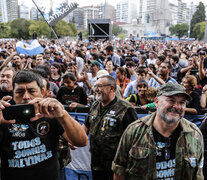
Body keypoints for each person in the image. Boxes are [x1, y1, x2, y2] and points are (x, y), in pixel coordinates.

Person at [0, 70, 88, 180]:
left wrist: (63, 115)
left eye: (32, 91)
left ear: (42, 92)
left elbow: (81, 141)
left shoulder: (51, 113)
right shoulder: (4, 117)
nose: (26, 96)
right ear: (13, 93)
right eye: (20, 91)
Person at [112, 82, 204, 179]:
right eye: (171, 101)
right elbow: (119, 171)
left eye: (182, 102)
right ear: (156, 102)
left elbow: (198, 175)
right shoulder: (134, 131)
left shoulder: (194, 134)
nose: (177, 106)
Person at [82, 75, 138, 180]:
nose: (96, 89)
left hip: (117, 166)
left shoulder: (125, 108)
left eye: (99, 86)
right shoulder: (95, 105)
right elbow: (85, 127)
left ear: (111, 88)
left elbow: (135, 137)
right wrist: (74, 139)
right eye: (95, 86)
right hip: (97, 164)